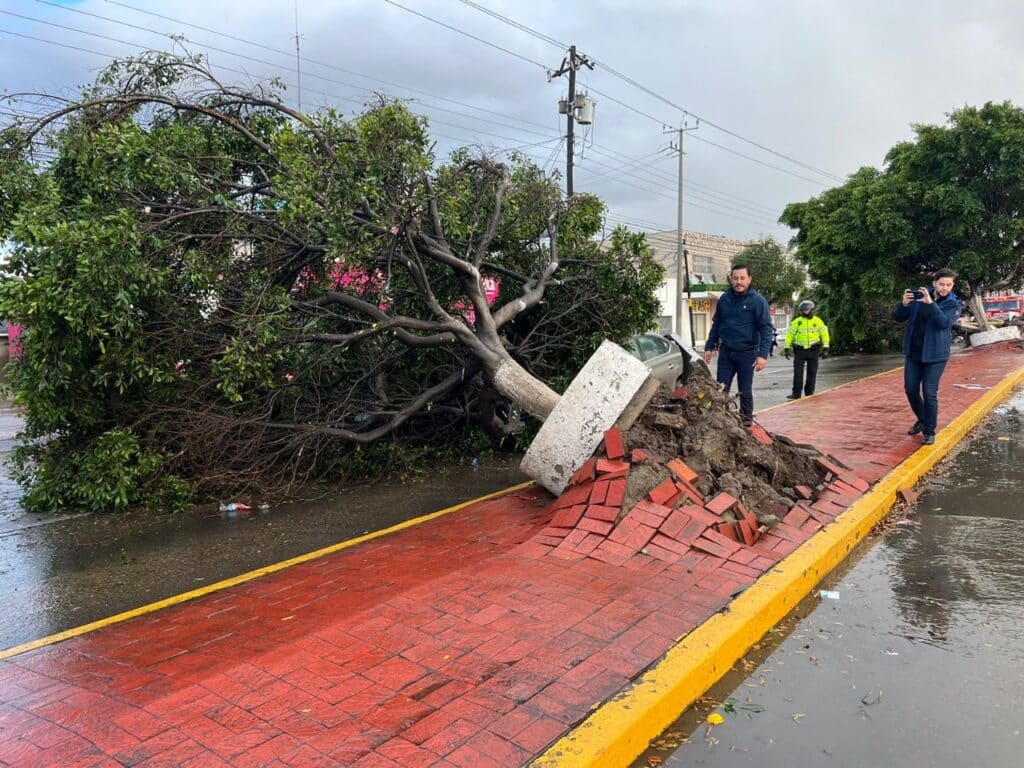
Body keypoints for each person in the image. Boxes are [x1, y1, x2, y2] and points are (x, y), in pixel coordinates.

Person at [892, 268, 962, 446]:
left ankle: (929, 431)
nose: (944, 288)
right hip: (914, 354)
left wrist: (931, 304)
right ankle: (923, 418)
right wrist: (904, 304)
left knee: (930, 393)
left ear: (952, 285)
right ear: (934, 283)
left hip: (936, 355)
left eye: (948, 284)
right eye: (941, 284)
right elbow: (898, 317)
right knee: (911, 390)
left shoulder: (953, 304)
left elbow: (944, 324)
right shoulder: (920, 297)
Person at [702, 264, 775, 425]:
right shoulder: (724, 299)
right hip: (726, 352)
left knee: (745, 391)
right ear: (731, 279)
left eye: (742, 278)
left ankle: (746, 422)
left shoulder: (757, 301)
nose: (738, 282)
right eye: (735, 278)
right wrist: (709, 346)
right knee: (721, 389)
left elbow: (766, 329)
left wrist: (762, 355)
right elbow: (717, 324)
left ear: (749, 280)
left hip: (747, 353)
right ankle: (720, 420)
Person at [783, 300, 830, 399]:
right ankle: (796, 393)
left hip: (813, 350)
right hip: (800, 351)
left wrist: (826, 348)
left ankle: (809, 392)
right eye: (804, 310)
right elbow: (790, 334)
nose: (806, 311)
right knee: (798, 373)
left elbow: (824, 334)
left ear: (811, 309)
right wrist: (787, 348)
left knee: (812, 373)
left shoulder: (817, 321)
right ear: (801, 311)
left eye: (807, 309)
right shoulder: (797, 322)